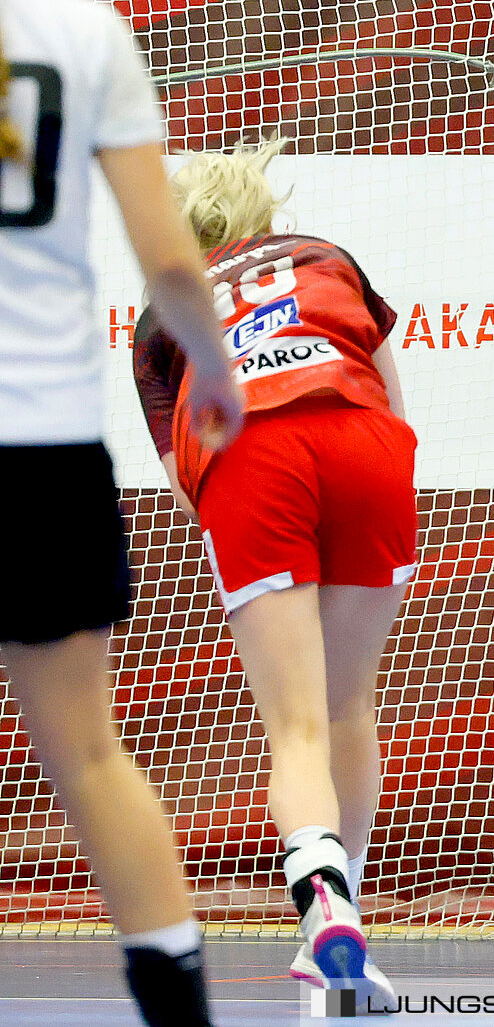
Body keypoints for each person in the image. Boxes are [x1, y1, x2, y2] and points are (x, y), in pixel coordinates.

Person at [0, 0, 244, 1022]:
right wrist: (219, 373)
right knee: (89, 756)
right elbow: (176, 264)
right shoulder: (84, 33)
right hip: (39, 442)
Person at [132, 137, 416, 1007]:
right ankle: (345, 903)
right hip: (366, 446)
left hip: (252, 460)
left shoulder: (160, 318)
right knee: (346, 705)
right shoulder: (327, 258)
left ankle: (324, 903)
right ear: (262, 212)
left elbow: (190, 481)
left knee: (294, 726)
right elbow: (393, 404)